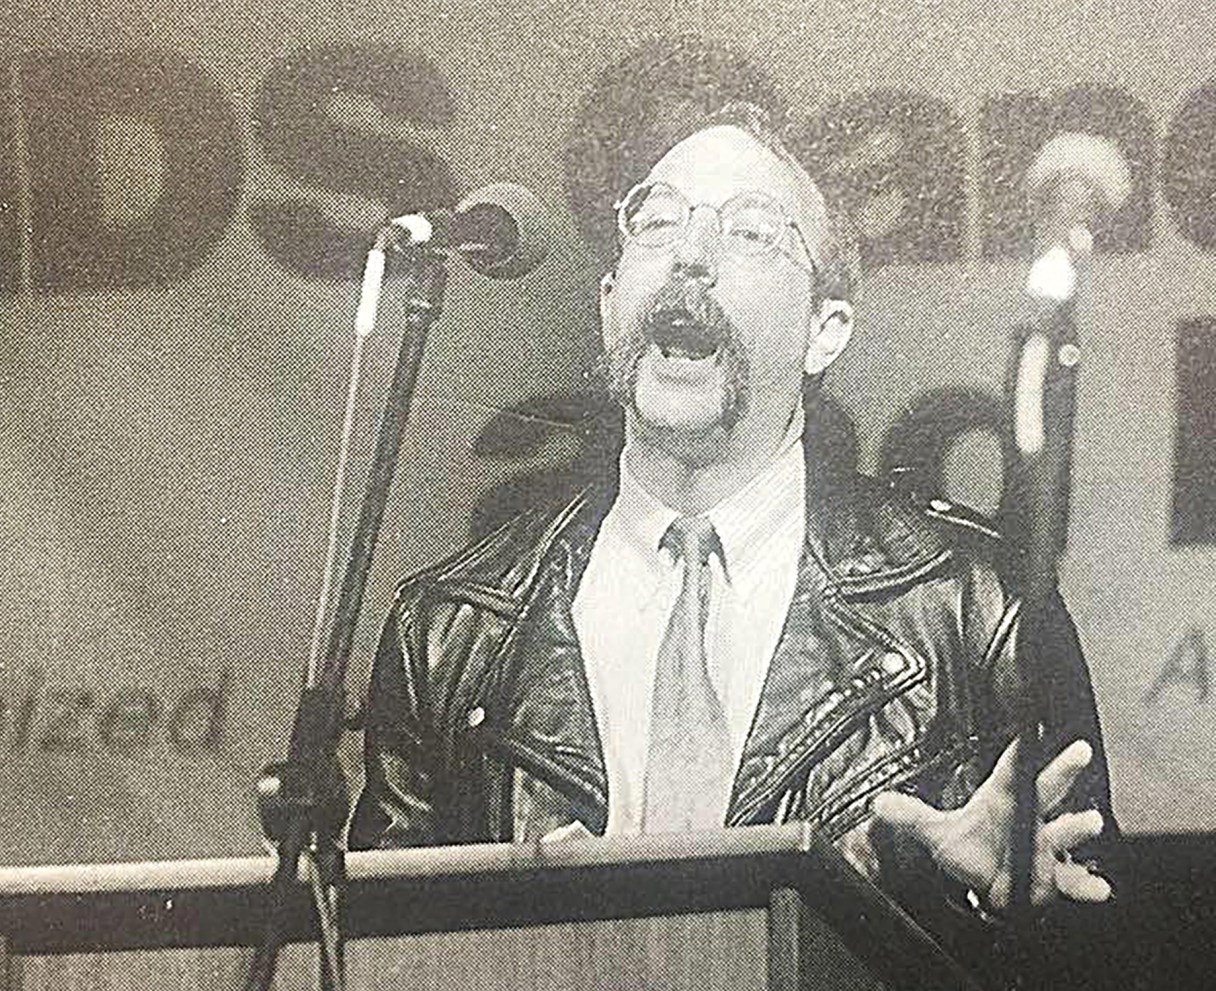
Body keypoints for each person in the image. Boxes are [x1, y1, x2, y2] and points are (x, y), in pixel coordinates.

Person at [347, 97, 1114, 930]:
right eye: (658, 221)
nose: (691, 257)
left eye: (751, 231)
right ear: (609, 305)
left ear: (825, 332)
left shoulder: (978, 607)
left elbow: (1099, 943)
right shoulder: (452, 627)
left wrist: (975, 901)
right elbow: (373, 949)